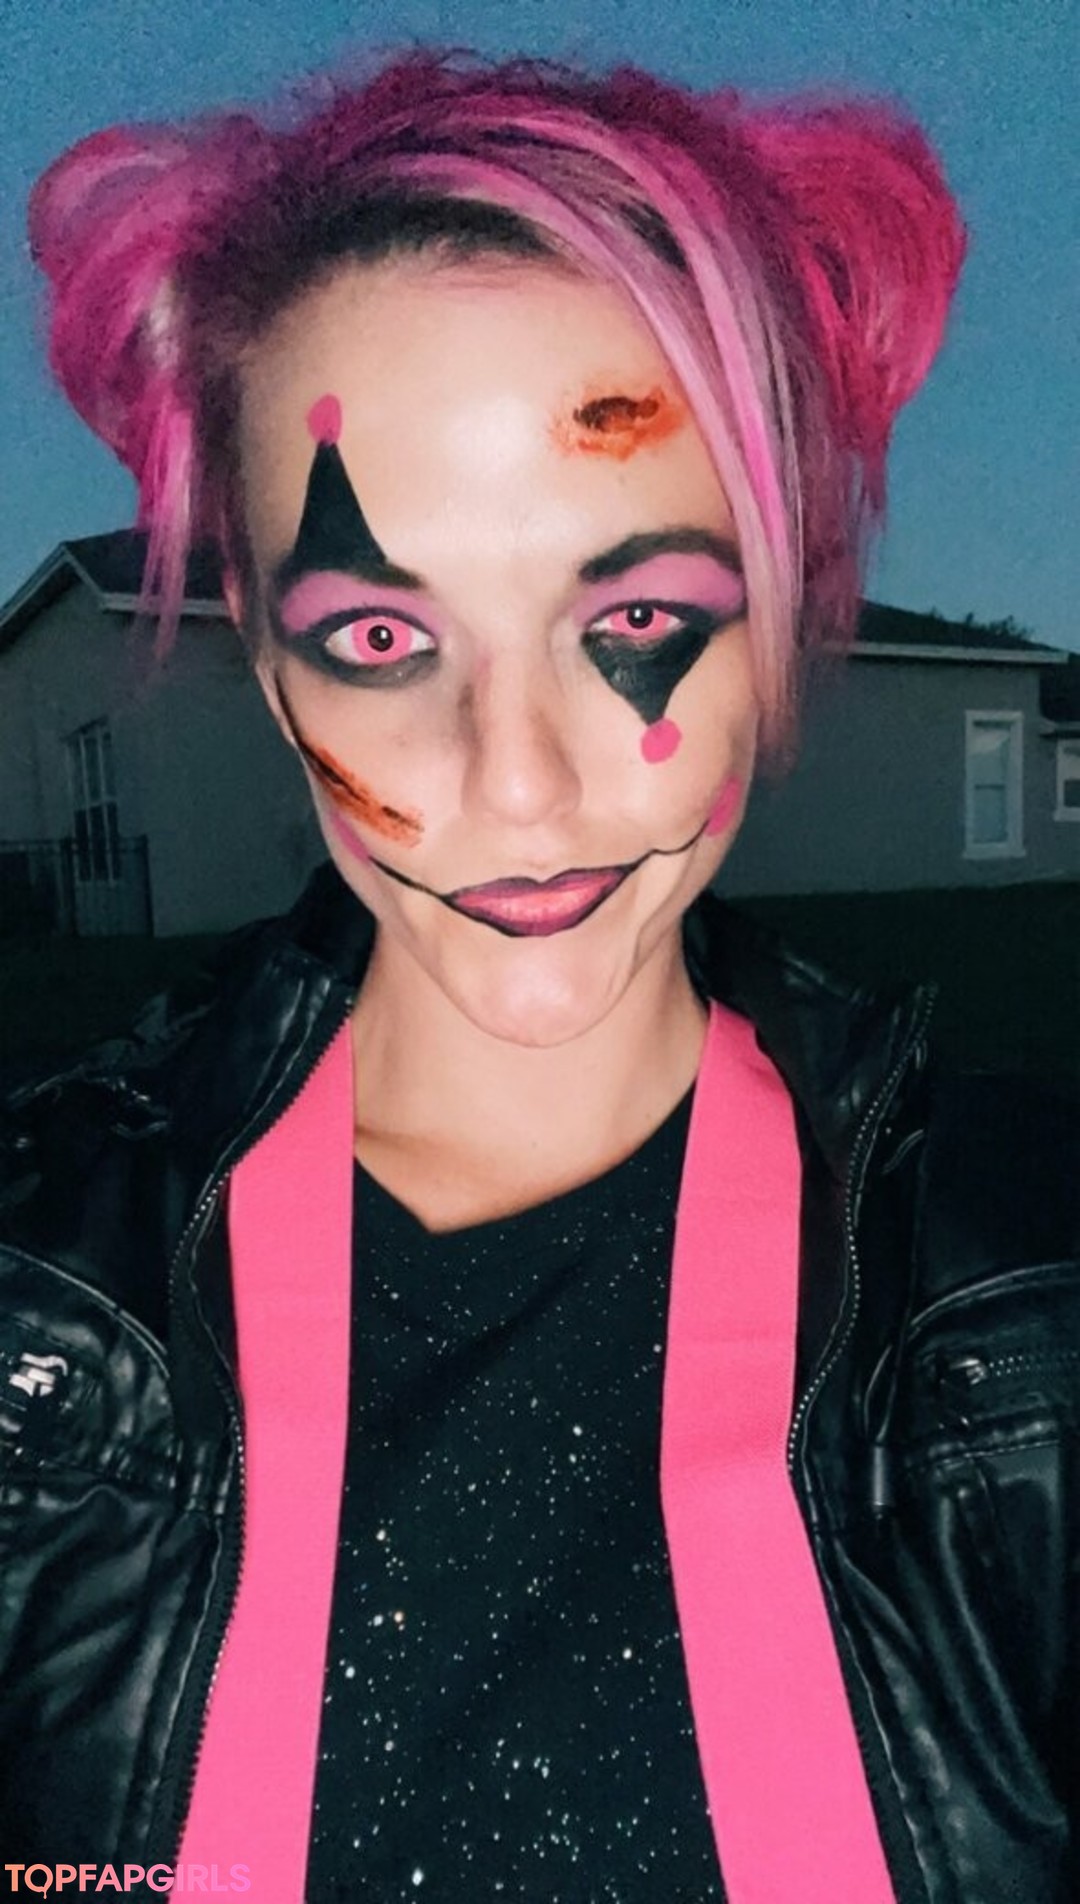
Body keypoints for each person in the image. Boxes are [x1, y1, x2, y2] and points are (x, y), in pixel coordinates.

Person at [2, 46, 1077, 1904]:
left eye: (636, 614)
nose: (517, 786)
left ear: (779, 612)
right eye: (379, 636)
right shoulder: (36, 1290)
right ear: (263, 655)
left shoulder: (1031, 1289)